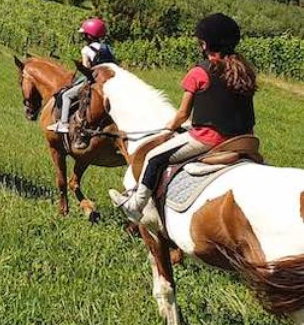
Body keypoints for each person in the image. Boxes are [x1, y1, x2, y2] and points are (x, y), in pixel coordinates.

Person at [110, 13, 257, 222]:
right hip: (244, 138)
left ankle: (136, 205)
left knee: (153, 157)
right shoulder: (245, 70)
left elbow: (182, 114)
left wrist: (171, 127)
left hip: (209, 139)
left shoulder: (199, 72)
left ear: (204, 44)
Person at [47, 17, 118, 134]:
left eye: (85, 35)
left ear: (89, 36)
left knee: (66, 95)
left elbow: (86, 69)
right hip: (110, 81)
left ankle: (63, 123)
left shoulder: (86, 50)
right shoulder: (109, 48)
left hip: (95, 81)